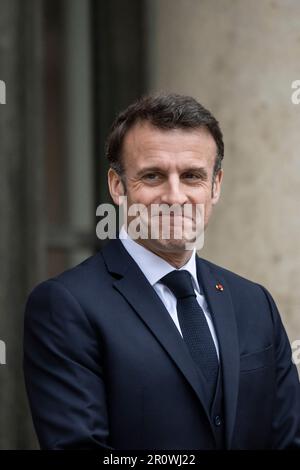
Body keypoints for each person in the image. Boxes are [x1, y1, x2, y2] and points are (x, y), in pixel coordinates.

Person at [23, 93, 300, 450]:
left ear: (215, 186)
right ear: (118, 186)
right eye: (153, 176)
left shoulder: (254, 303)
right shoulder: (64, 306)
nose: (175, 196)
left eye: (192, 176)